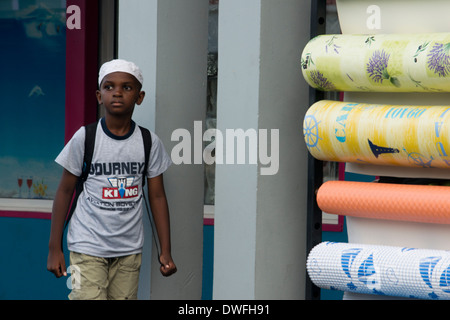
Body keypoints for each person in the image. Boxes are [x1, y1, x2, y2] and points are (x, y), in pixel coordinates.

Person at [47, 59, 177, 300]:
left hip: (129, 250)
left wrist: (165, 250)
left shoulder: (149, 142)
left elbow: (157, 196)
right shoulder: (85, 138)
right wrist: (54, 248)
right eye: (109, 87)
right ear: (99, 95)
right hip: (85, 246)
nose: (117, 92)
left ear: (139, 97)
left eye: (127, 87)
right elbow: (65, 191)